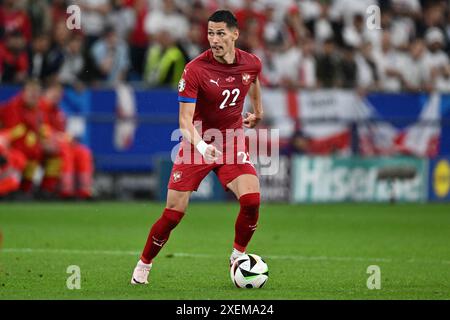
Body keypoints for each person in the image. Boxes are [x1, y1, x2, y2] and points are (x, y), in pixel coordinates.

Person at [131, 10, 264, 285]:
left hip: (231, 140)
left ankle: (238, 256)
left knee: (251, 200)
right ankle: (144, 264)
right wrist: (203, 147)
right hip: (197, 142)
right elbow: (184, 121)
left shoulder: (251, 63)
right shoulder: (195, 70)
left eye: (220, 33)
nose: (214, 39)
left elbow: (252, 80)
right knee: (173, 214)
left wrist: (257, 111)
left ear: (235, 34)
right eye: (210, 33)